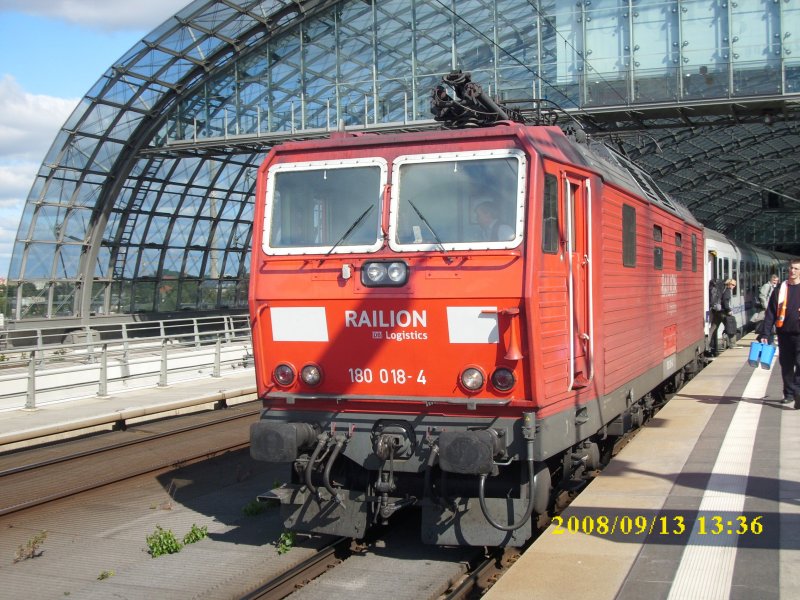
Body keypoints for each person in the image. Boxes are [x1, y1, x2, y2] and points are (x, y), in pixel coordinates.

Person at [761, 259, 800, 408]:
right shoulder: (780, 290)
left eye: (796, 269)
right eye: (791, 268)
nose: (793, 271)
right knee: (786, 365)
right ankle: (789, 394)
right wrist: (765, 334)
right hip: (784, 334)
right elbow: (770, 313)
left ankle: (797, 390)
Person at [708, 278, 735, 355]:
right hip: (723, 312)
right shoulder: (727, 291)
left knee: (713, 328)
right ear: (729, 284)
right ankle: (732, 343)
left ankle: (707, 344)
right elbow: (725, 302)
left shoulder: (722, 289)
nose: (734, 286)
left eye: (734, 285)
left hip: (717, 312)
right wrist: (729, 310)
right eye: (733, 285)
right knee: (731, 326)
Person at [757, 274, 779, 344]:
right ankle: (763, 338)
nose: (775, 282)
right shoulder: (767, 286)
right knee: (767, 324)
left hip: (770, 308)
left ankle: (769, 340)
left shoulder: (773, 287)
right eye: (774, 280)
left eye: (777, 281)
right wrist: (766, 307)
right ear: (771, 280)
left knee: (771, 325)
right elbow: (762, 296)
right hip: (767, 309)